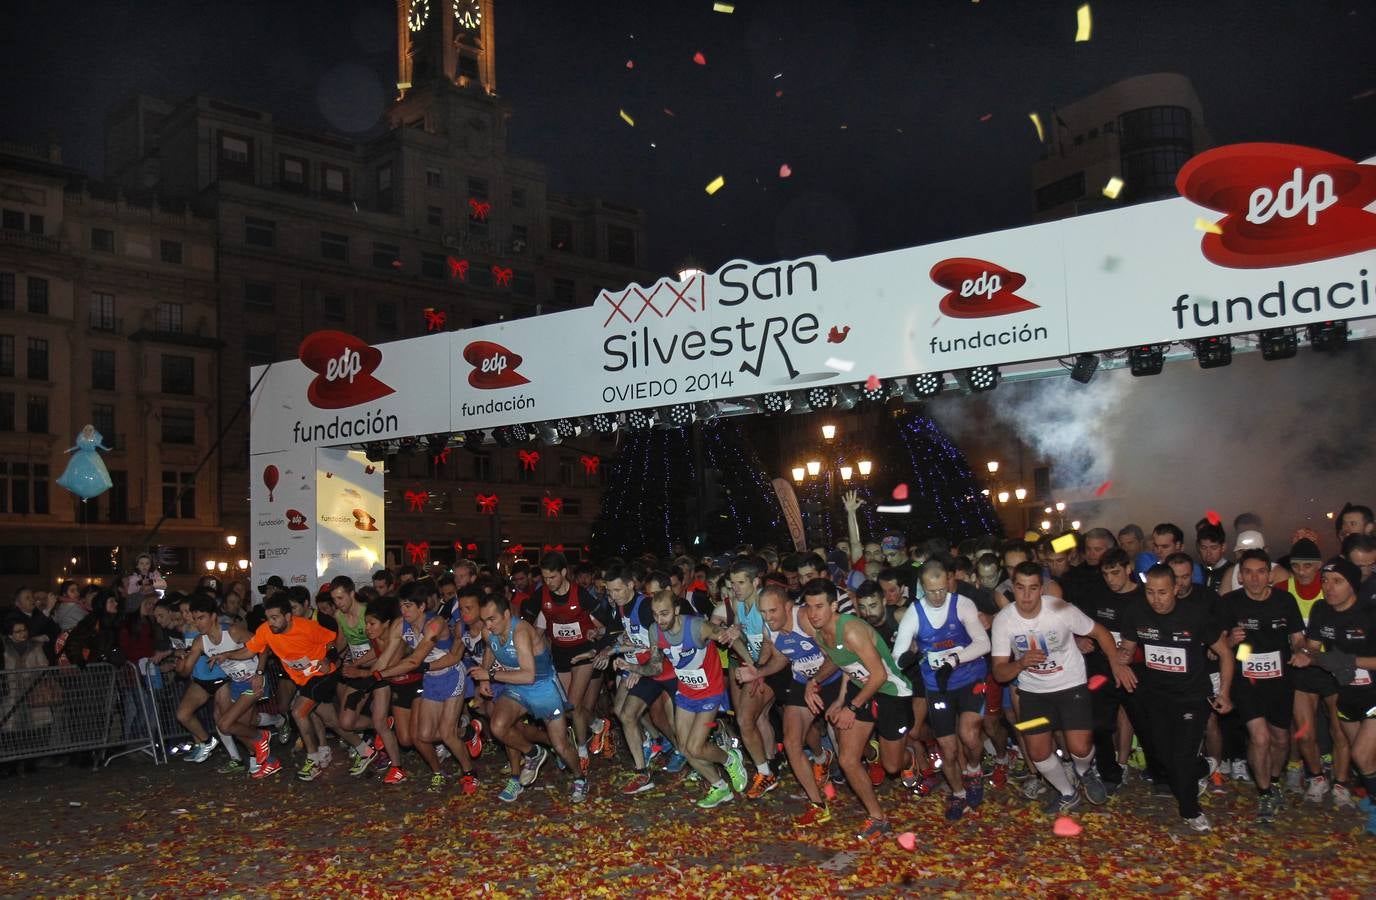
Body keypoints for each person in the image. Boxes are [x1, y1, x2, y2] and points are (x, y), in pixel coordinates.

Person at [991, 562, 1131, 816]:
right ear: (1013, 587)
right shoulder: (1004, 620)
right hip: (1032, 690)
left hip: (1070, 684)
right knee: (1038, 752)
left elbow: (1100, 632)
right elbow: (999, 672)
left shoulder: (1060, 609)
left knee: (1080, 748)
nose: (1026, 596)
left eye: (1033, 588)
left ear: (1042, 589)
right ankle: (1068, 792)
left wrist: (1115, 664)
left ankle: (1084, 770)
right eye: (1020, 588)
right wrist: (1021, 663)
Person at [1119, 564, 1234, 833]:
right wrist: (1120, 662)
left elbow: (1226, 654)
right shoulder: (1136, 612)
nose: (1155, 599)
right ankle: (1203, 766)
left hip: (1192, 695)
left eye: (1162, 593)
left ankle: (1190, 811)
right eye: (1150, 592)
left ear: (1176, 590)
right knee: (1163, 757)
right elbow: (1126, 648)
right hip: (1157, 694)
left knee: (1180, 757)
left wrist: (1225, 692)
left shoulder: (1196, 616)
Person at [213, 593, 370, 782]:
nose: (271, 623)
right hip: (303, 679)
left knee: (298, 712)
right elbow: (249, 650)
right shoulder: (265, 630)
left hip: (323, 673)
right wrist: (228, 655)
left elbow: (330, 641)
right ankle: (366, 750)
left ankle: (313, 760)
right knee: (331, 721)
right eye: (268, 618)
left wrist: (328, 659)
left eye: (275, 618)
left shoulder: (306, 627)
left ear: (288, 617)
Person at [802, 577, 913, 842]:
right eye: (809, 607)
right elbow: (840, 662)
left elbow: (878, 677)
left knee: (893, 766)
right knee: (847, 759)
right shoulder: (820, 633)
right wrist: (816, 682)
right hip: (859, 689)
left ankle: (913, 757)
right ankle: (878, 818)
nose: (813, 613)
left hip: (891, 692)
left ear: (833, 607)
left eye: (819, 606)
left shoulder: (851, 630)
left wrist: (851, 706)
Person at [626, 590, 752, 809]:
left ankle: (730, 759)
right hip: (686, 691)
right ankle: (720, 786)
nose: (659, 620)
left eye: (664, 613)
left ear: (676, 610)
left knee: (695, 746)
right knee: (683, 748)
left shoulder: (697, 627)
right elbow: (655, 667)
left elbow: (729, 636)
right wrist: (632, 667)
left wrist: (751, 666)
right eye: (655, 614)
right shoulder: (655, 631)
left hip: (710, 691)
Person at [891, 557, 991, 820]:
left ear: (948, 583)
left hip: (970, 677)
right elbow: (898, 653)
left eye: (941, 590)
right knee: (948, 747)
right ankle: (958, 794)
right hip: (938, 686)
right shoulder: (915, 612)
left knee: (969, 735)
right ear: (922, 587)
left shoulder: (963, 605)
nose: (937, 596)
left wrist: (954, 660)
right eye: (930, 591)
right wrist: (908, 656)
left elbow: (983, 644)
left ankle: (973, 770)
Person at [470, 593, 587, 804]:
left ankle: (580, 777)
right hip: (518, 687)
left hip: (543, 688)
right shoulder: (489, 632)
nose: (487, 625)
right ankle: (533, 754)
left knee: (561, 746)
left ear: (506, 614)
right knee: (498, 726)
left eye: (492, 619)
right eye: (484, 620)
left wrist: (490, 675)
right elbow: (490, 649)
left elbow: (528, 675)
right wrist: (484, 679)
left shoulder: (521, 632)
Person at [1290, 557, 1376, 835]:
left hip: (1374, 691)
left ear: (1352, 585)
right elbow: (1313, 649)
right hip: (1347, 693)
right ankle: (1372, 799)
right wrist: (1305, 655)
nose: (1329, 587)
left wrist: (1347, 661)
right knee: (1365, 759)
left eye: (1337, 581)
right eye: (1325, 581)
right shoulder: (1320, 610)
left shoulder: (1370, 614)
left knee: (1362, 755)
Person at [1220, 549, 1304, 821]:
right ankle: (1265, 792)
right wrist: (1232, 641)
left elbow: (1297, 637)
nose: (1254, 578)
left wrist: (1301, 650)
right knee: (1260, 737)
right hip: (1247, 677)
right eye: (1248, 572)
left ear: (1269, 574)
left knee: (1281, 738)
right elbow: (1217, 648)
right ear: (1240, 577)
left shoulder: (1285, 601)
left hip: (1280, 678)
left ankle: (1275, 780)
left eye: (1260, 572)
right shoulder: (1231, 603)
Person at [753, 583, 841, 827]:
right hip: (804, 681)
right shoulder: (770, 629)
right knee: (792, 742)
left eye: (773, 611)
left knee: (850, 753)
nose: (768, 617)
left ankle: (870, 751)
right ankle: (817, 804)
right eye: (763, 612)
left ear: (788, 607)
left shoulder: (805, 619)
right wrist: (757, 672)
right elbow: (781, 658)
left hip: (833, 679)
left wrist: (816, 680)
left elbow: (835, 656)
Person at [374, 581, 475, 792]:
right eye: (401, 606)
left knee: (446, 734)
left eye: (409, 606)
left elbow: (415, 661)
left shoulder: (435, 624)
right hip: (430, 677)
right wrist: (368, 676)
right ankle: (459, 739)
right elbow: (385, 659)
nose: (404, 611)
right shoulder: (400, 624)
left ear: (421, 607)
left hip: (451, 675)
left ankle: (469, 773)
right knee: (423, 736)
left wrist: (379, 674)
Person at [529, 552, 615, 773]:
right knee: (567, 708)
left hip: (583, 653)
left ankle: (581, 752)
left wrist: (597, 633)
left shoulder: (582, 595)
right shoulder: (542, 595)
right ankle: (597, 724)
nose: (548, 582)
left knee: (573, 705)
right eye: (545, 578)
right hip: (560, 653)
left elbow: (607, 623)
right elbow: (530, 624)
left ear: (564, 573)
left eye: (553, 577)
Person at [604, 567, 681, 795]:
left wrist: (636, 667)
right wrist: (614, 650)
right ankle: (641, 772)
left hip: (669, 670)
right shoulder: (619, 606)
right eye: (609, 590)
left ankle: (698, 756)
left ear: (630, 585)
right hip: (648, 670)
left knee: (679, 725)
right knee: (626, 714)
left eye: (617, 589)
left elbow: (659, 652)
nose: (613, 595)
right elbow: (635, 640)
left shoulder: (647, 608)